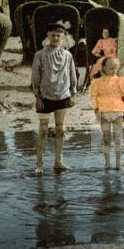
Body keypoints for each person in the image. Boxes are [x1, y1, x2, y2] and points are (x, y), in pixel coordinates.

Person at [31, 23, 79, 174]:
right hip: (45, 96)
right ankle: (40, 163)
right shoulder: (40, 54)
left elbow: (72, 75)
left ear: (63, 37)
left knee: (60, 129)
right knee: (43, 131)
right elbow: (35, 76)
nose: (56, 38)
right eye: (53, 35)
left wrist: (73, 93)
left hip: (63, 95)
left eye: (59, 35)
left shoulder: (67, 55)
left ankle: (58, 161)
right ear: (48, 36)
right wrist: (37, 96)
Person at [90, 56, 124, 170]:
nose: (113, 71)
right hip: (104, 112)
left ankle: (118, 163)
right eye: (111, 68)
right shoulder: (96, 82)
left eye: (115, 68)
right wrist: (96, 110)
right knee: (106, 138)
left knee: (118, 138)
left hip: (118, 112)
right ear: (104, 68)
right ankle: (107, 163)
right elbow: (93, 97)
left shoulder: (120, 80)